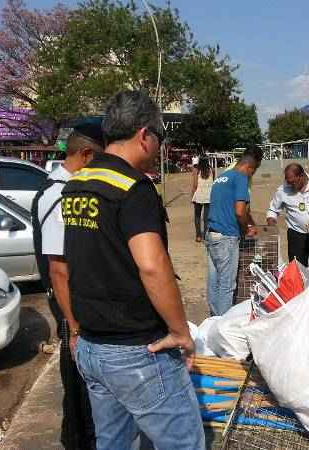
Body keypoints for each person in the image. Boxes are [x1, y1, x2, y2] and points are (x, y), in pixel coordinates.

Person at [61, 90, 204, 450]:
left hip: (92, 346)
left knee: (113, 442)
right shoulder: (133, 187)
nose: (158, 148)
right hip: (136, 349)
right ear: (145, 135)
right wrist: (179, 332)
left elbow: (69, 261)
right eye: (159, 138)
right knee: (184, 442)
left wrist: (76, 330)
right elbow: (152, 265)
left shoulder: (77, 184)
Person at [32, 124, 104, 450]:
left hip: (79, 302)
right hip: (69, 306)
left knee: (86, 386)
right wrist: (73, 327)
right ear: (86, 154)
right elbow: (59, 269)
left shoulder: (72, 187)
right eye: (100, 158)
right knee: (78, 388)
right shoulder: (59, 193)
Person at [206, 146, 262, 316]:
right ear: (252, 166)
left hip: (212, 234)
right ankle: (222, 326)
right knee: (226, 285)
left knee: (213, 281)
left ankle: (213, 320)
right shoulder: (241, 178)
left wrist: (250, 221)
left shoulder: (222, 177)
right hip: (226, 238)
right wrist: (246, 230)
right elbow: (239, 211)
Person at [267, 163, 309, 266]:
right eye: (288, 182)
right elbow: (273, 210)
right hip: (296, 235)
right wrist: (271, 223)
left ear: (302, 176)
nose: (290, 185)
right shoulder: (283, 190)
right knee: (297, 270)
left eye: (293, 182)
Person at [191, 156, 213, 242]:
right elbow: (212, 182)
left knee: (197, 216)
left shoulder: (197, 170)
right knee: (206, 217)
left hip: (199, 195)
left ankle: (198, 236)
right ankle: (206, 236)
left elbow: (195, 185)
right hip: (209, 195)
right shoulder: (211, 170)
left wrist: (192, 195)